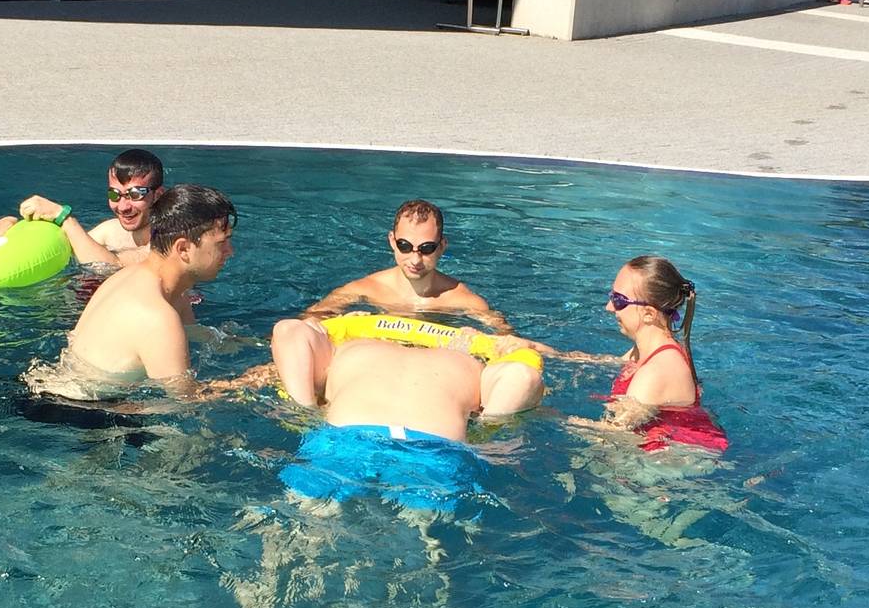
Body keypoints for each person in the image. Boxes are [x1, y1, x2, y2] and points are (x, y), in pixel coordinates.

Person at [255, 315, 544, 512]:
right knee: (427, 546)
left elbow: (289, 331)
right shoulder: (469, 362)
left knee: (300, 523)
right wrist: (486, 430)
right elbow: (523, 376)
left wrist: (306, 410)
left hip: (345, 438)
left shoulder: (349, 347)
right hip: (434, 450)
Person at [23, 184, 236, 399]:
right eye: (222, 243)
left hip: (46, 392)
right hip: (71, 410)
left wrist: (244, 342)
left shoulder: (140, 279)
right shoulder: (157, 316)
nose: (230, 252)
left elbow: (193, 332)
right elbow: (186, 400)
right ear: (183, 249)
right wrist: (250, 381)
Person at [568, 255, 726, 453]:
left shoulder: (655, 373)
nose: (609, 308)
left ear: (649, 314)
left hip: (675, 460)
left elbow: (612, 434)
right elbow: (606, 361)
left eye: (618, 300)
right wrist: (543, 350)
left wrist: (546, 414)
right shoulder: (649, 350)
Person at [305, 199, 513, 332]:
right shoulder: (367, 289)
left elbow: (506, 337)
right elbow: (309, 321)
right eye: (404, 246)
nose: (415, 259)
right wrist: (341, 323)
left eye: (427, 248)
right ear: (392, 241)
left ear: (442, 246)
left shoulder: (462, 300)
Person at [0, 149, 166, 267]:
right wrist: (12, 224)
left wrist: (64, 217)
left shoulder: (168, 240)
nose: (123, 206)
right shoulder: (110, 231)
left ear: (158, 195)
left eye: (135, 194)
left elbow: (111, 266)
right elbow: (60, 245)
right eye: (114, 195)